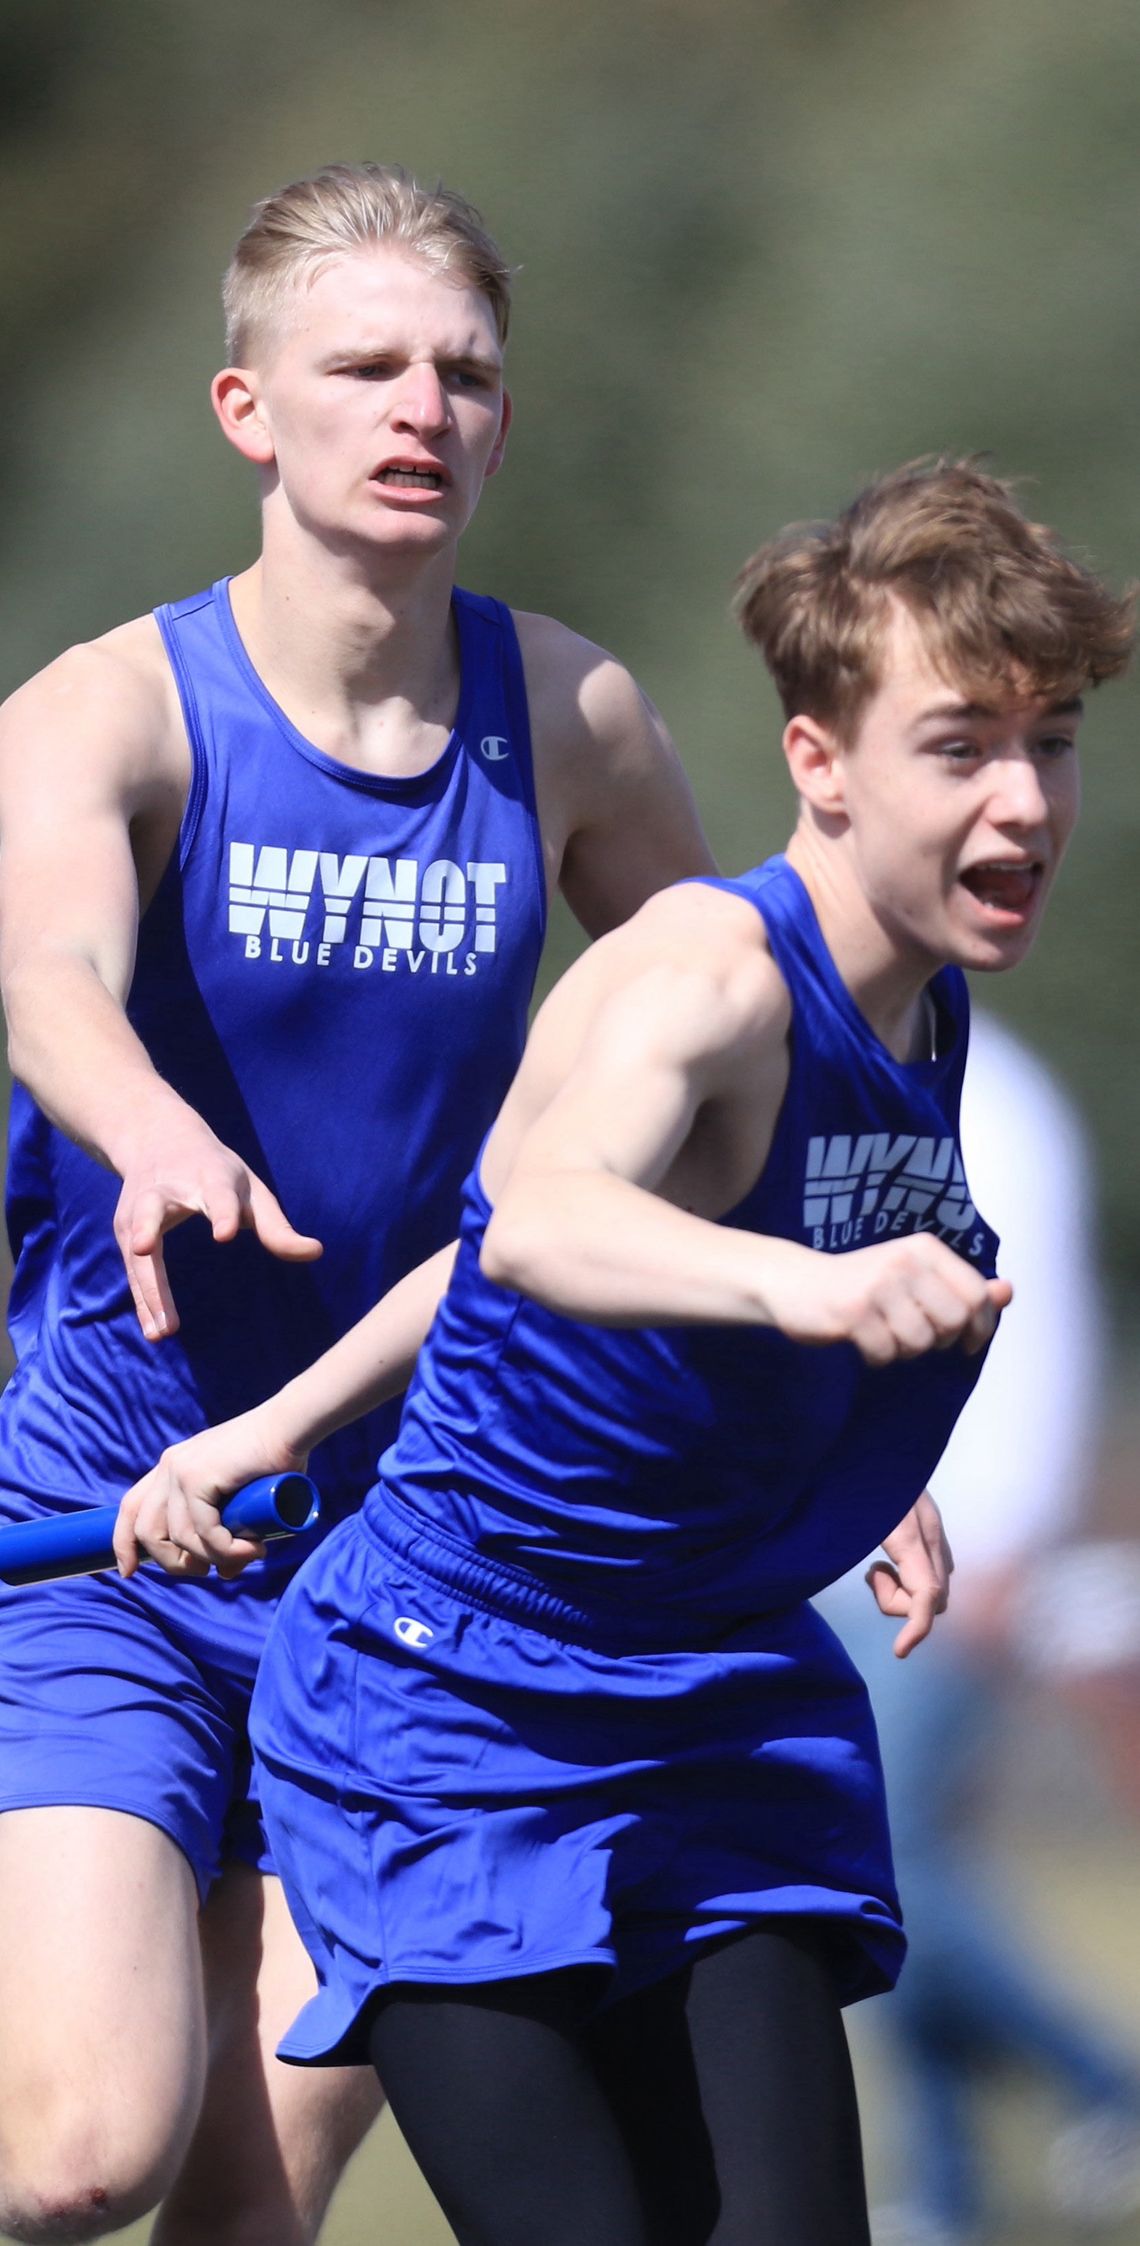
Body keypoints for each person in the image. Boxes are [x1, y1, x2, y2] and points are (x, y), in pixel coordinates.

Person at [118, 459, 1134, 2245]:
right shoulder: (710, 977)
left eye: (1051, 743)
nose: (1026, 801)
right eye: (960, 745)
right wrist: (807, 1301)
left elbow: (481, 1271)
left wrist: (848, 1458)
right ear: (820, 763)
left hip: (709, 1695)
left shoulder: (930, 1005)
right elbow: (550, 1219)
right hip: (450, 1709)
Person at [0, 159, 731, 2246]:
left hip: (406, 1574)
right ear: (252, 412)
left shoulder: (574, 718)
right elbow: (45, 975)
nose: (424, 407)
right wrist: (147, 1122)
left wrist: (811, 1353)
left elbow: (739, 1063)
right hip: (110, 1537)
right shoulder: (112, 708)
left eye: (468, 372)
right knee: (78, 2156)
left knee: (250, 2215)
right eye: (368, 366)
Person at [821, 1013, 1140, 2246]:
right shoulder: (835, 1055)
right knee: (885, 1868)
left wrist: (1021, 1534)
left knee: (880, 1867)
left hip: (969, 1550)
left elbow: (1046, 1326)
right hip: (845, 1548)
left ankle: (1107, 2084)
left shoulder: (989, 1091)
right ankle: (946, 2190)